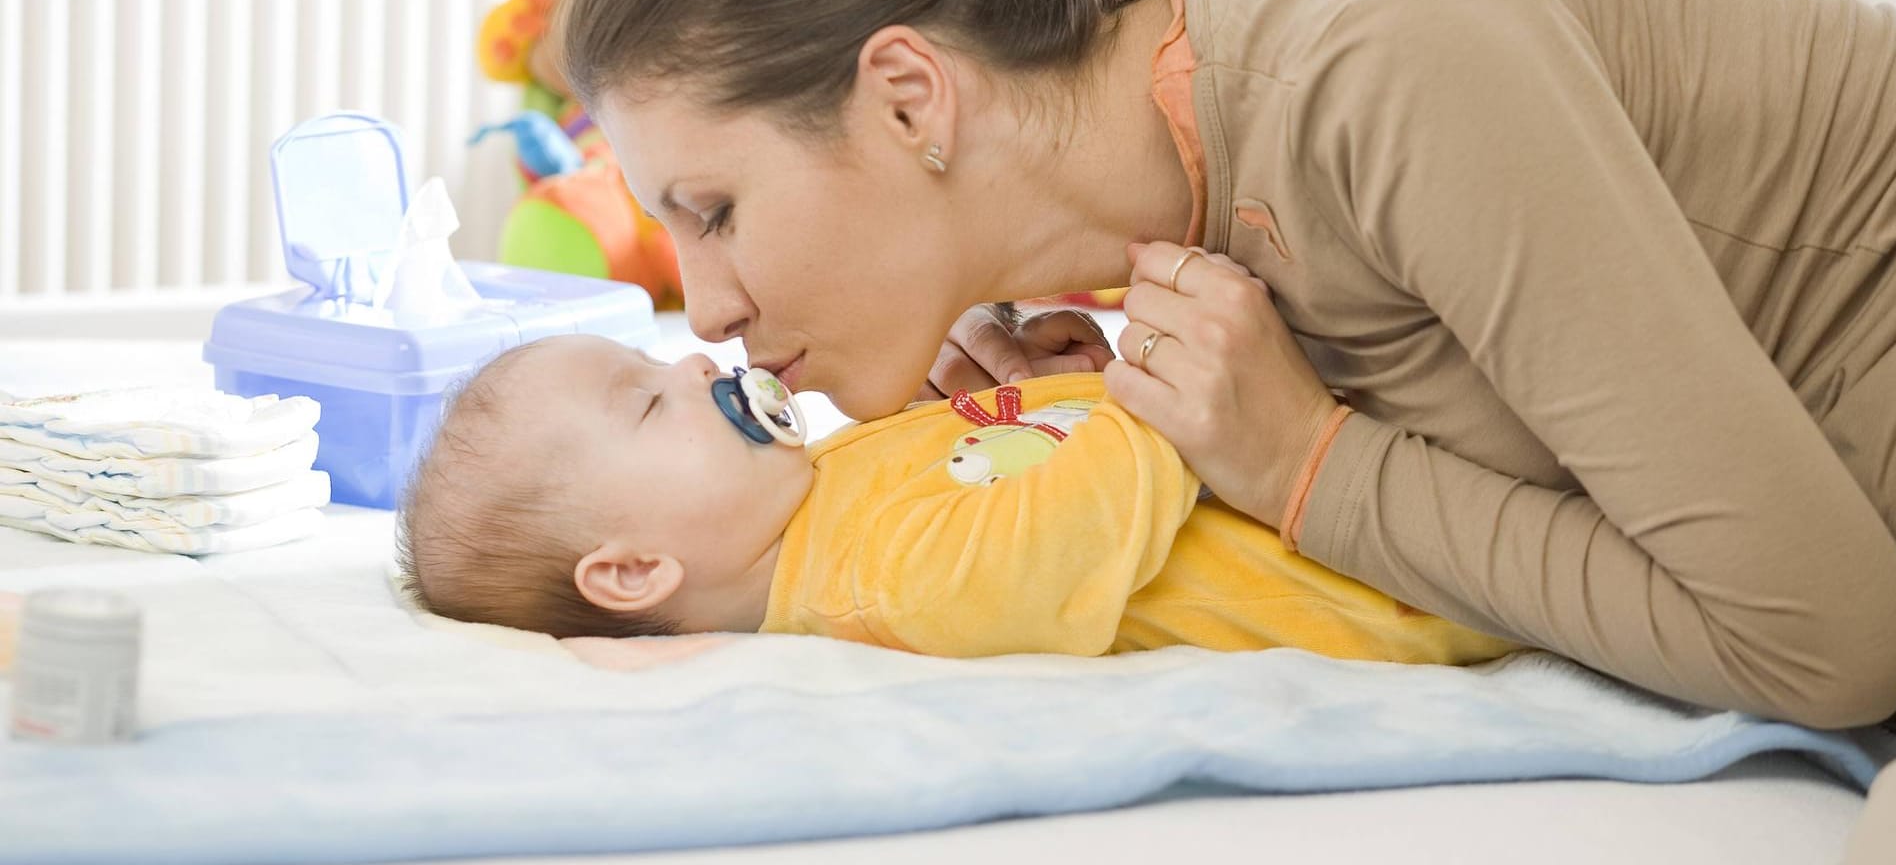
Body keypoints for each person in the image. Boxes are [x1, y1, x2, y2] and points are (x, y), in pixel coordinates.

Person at [555, 0, 1896, 735]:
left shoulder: (1392, 67)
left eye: (715, 212)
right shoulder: (1181, 227)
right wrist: (1191, 442)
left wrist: (1308, 464)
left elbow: (1828, 647)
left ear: (911, 100)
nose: (711, 309)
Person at [397, 333, 1521, 670]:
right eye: (648, 407)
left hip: (1335, 465)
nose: (695, 367)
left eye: (660, 363)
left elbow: (1016, 451)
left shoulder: (820, 483)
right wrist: (1164, 390)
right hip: (1398, 568)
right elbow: (1070, 527)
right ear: (635, 572)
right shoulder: (875, 588)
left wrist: (1060, 376)